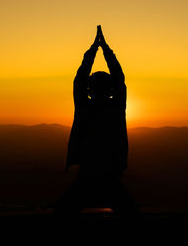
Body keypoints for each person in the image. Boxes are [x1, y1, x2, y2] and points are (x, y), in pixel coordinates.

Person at [55, 26, 138, 215]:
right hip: (107, 173)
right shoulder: (115, 108)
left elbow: (80, 79)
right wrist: (105, 49)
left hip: (89, 173)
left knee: (63, 214)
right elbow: (119, 79)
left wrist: (95, 49)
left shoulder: (86, 107)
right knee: (130, 215)